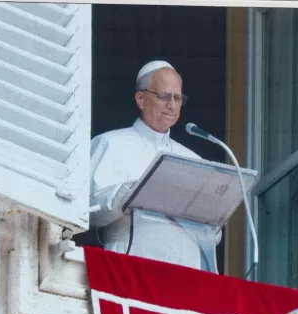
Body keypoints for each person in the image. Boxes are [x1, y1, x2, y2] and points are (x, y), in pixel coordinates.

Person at [88, 60, 217, 272]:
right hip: (129, 266)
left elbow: (210, 237)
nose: (173, 105)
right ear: (141, 99)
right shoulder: (110, 143)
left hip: (185, 271)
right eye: (165, 97)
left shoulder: (194, 159)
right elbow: (89, 213)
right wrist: (135, 191)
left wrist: (214, 217)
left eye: (177, 98)